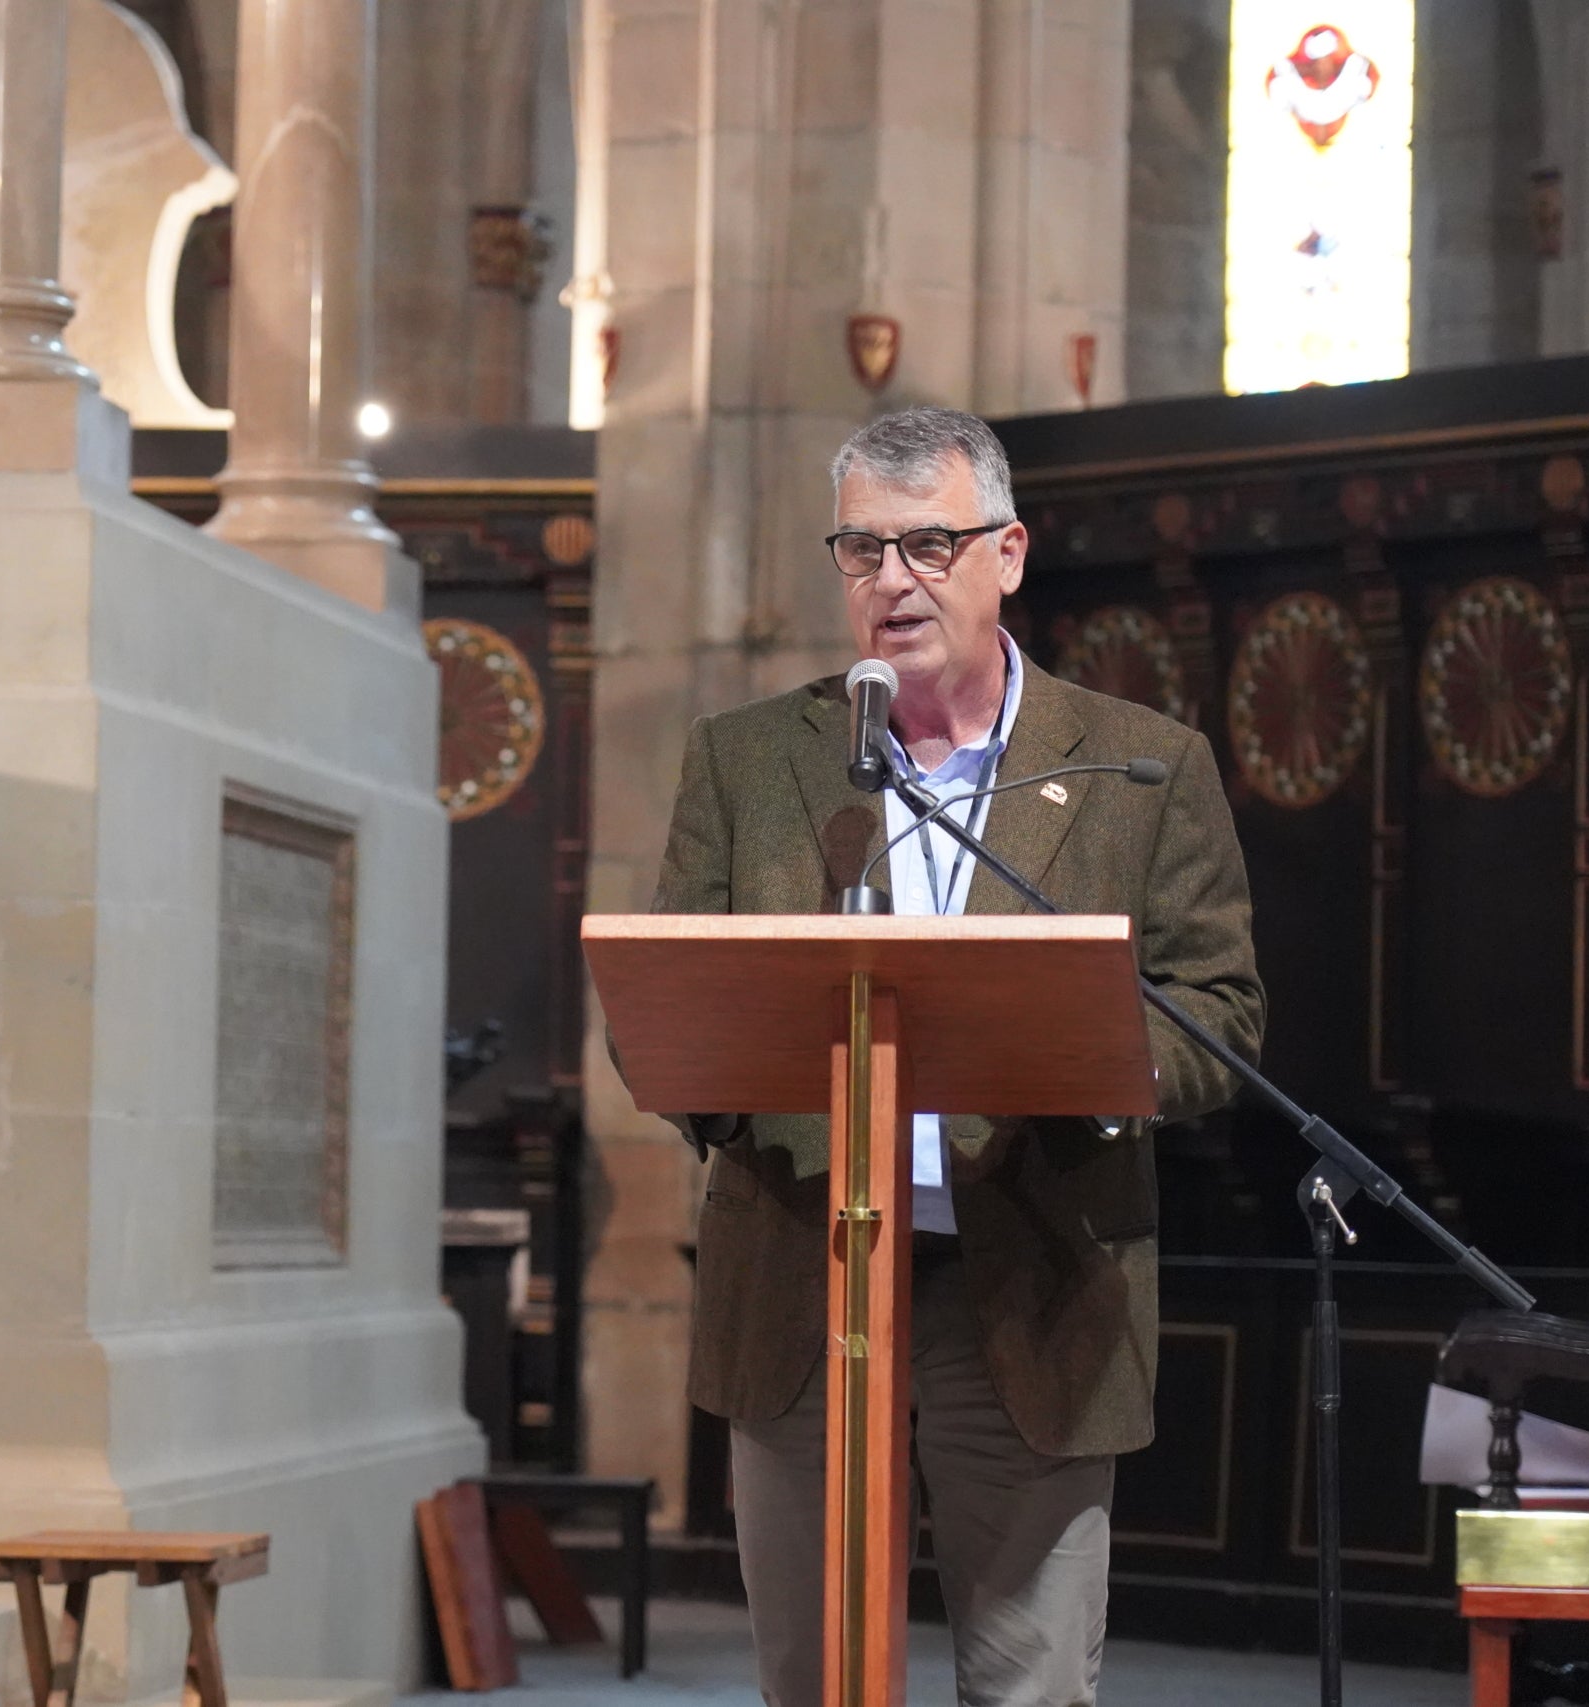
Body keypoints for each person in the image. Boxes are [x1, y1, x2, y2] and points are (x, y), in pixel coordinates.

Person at [640, 406, 1264, 1707]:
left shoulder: (1143, 768)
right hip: (802, 1276)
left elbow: (1220, 1011)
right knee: (814, 1684)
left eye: (930, 544)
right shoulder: (746, 760)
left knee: (1031, 1687)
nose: (894, 580)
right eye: (861, 550)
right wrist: (717, 1080)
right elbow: (666, 1000)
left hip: (1033, 1280)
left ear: (1009, 554)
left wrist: (1074, 1057)